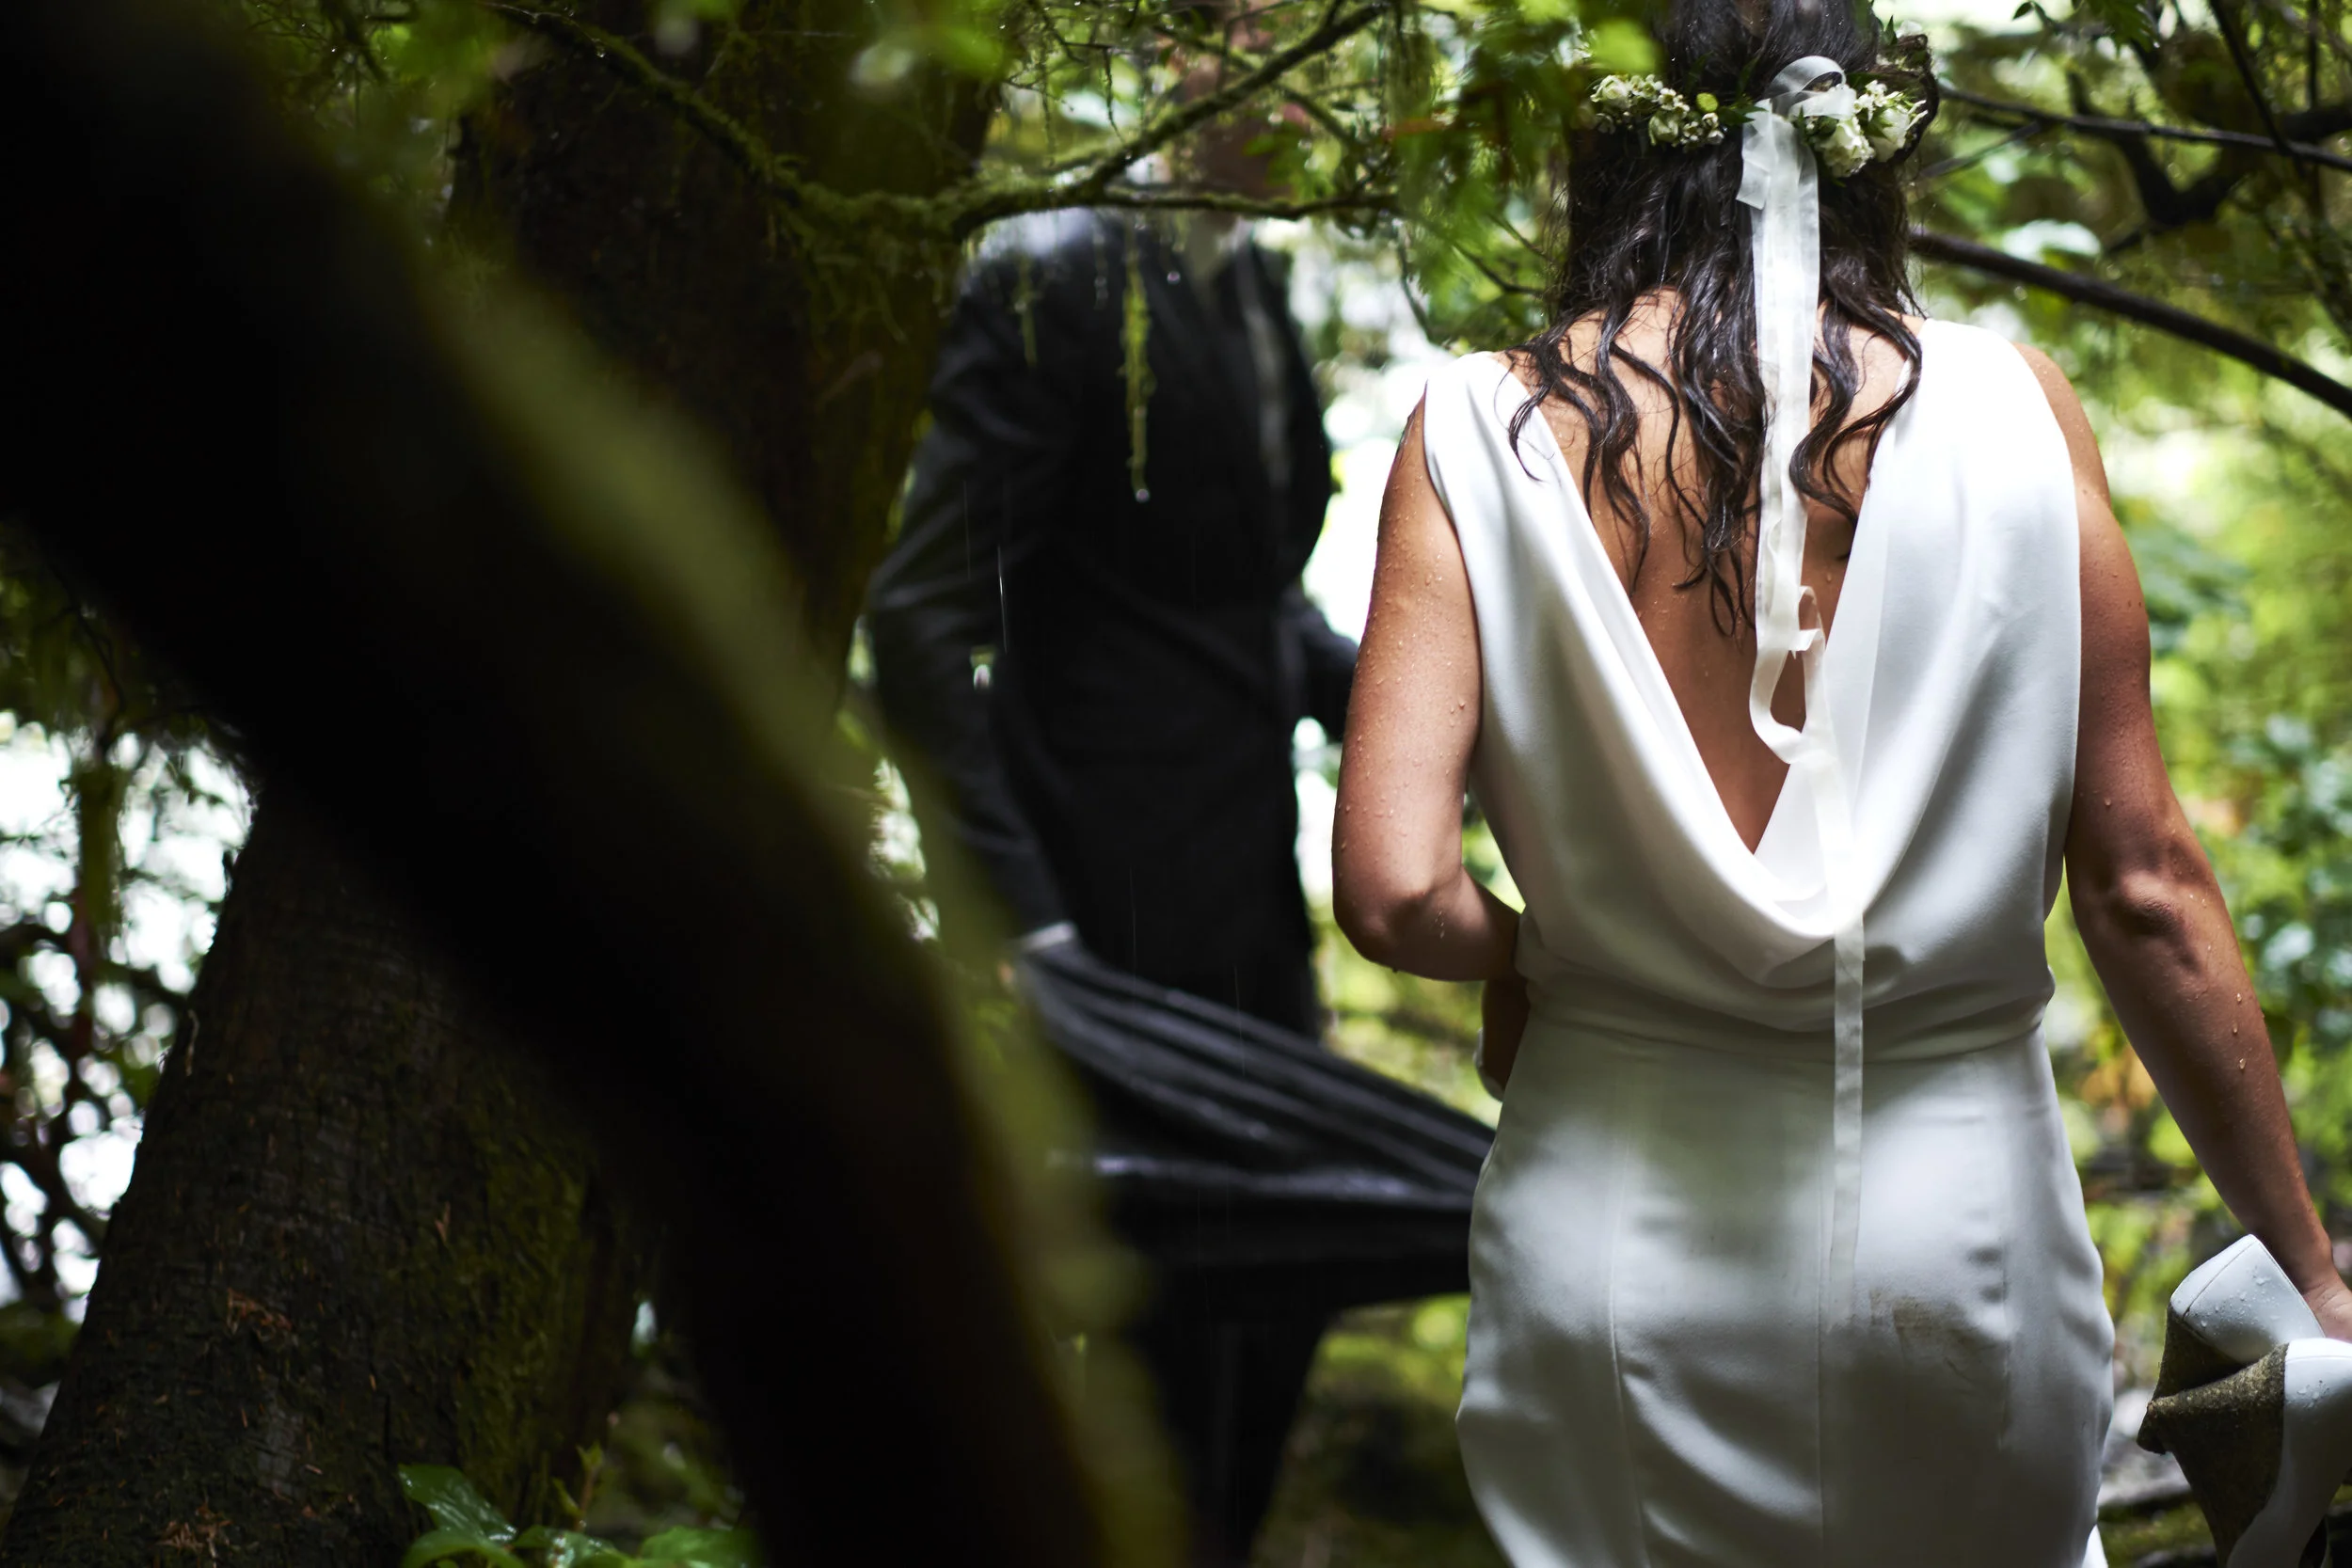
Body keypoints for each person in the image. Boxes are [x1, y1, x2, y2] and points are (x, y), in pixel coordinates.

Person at [1330, 3, 2352, 1565]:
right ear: (1869, 138)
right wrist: (2312, 1265)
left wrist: (1543, 953)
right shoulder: (2019, 414)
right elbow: (2144, 883)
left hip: (1617, 1229)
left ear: (1611, 133)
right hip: (1957, 1240)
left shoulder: (1479, 428)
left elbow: (1396, 889)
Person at [863, 21, 1355, 1560]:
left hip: (1250, 894)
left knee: (1287, 1274)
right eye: (1253, 30)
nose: (1297, 83)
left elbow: (1253, 606)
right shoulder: (1055, 274)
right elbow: (920, 615)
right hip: (1101, 900)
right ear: (1180, 53)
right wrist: (1019, 914)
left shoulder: (1255, 289)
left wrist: (1455, 726)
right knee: (1161, 1306)